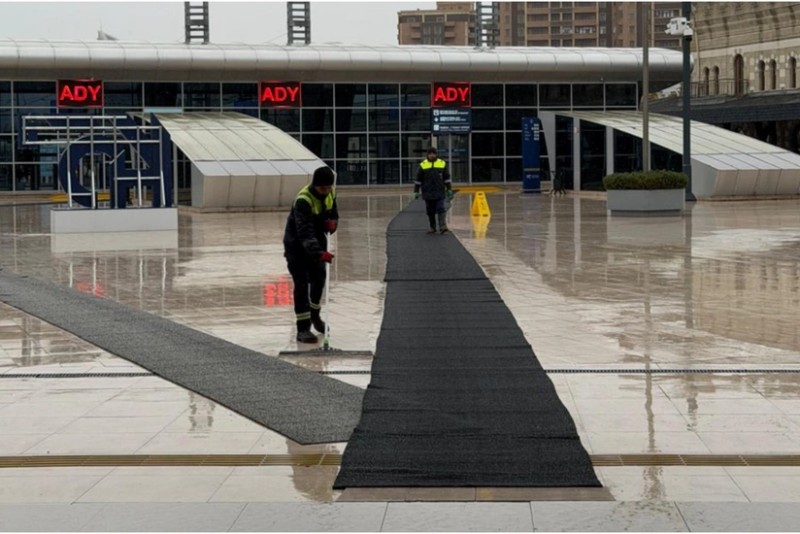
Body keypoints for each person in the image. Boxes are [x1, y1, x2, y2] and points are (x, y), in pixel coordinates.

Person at [283, 166, 339, 343]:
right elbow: (304, 233)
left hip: (317, 243)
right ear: (315, 185)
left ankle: (315, 316)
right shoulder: (303, 200)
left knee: (319, 279)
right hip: (297, 247)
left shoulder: (331, 193)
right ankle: (303, 329)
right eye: (322, 188)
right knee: (301, 285)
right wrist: (319, 253)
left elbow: (334, 214)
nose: (326, 191)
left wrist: (332, 224)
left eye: (328, 187)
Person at [414, 146, 453, 234]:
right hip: (427, 192)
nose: (432, 155)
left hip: (439, 191)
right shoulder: (423, 164)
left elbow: (447, 178)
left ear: (436, 154)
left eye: (433, 153)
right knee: (430, 210)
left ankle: (443, 226)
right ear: (427, 155)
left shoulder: (442, 163)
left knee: (440, 208)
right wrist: (416, 191)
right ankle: (432, 227)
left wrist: (449, 189)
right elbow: (418, 180)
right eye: (430, 153)